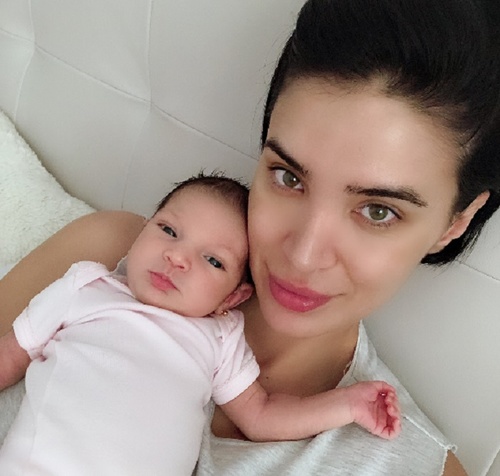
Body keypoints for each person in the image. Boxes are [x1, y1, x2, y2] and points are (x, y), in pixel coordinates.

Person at [1, 0, 500, 474]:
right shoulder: (109, 258)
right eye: (288, 177)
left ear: (454, 223)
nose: (302, 256)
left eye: (378, 211)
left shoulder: (413, 465)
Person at [0, 173, 400, 475]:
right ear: (143, 231)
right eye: (168, 230)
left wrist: (346, 405)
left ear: (232, 298)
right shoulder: (86, 287)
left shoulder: (219, 338)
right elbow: (10, 356)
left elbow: (262, 416)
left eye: (213, 261)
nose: (177, 257)